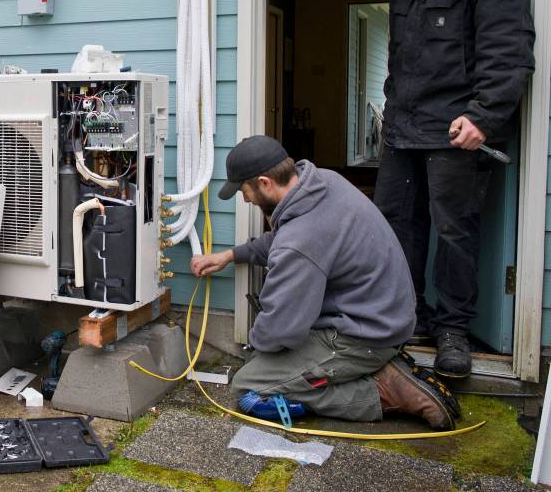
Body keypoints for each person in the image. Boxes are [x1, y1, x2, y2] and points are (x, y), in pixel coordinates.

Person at [373, 0, 535, 378]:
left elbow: (509, 48)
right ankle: (405, 321)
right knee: (397, 226)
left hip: (457, 129)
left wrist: (485, 116)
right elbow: (401, 51)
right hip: (403, 126)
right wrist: (390, 109)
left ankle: (452, 333)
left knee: (454, 233)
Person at [191, 135, 459, 429]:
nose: (246, 199)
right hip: (385, 317)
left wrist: (255, 349)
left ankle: (383, 392)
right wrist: (232, 255)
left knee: (250, 387)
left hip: (365, 336)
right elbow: (287, 241)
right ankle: (378, 369)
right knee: (271, 367)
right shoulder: (322, 183)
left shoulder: (301, 240)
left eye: (245, 190)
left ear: (265, 182)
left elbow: (283, 331)